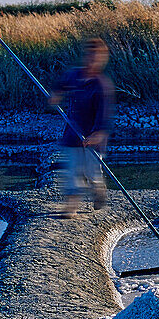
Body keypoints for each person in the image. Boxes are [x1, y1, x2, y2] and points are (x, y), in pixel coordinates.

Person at [49, 37, 115, 218]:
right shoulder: (74, 75)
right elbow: (59, 87)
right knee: (73, 171)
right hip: (73, 134)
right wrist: (56, 95)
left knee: (92, 172)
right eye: (90, 56)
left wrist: (97, 134)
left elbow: (104, 115)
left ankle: (98, 189)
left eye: (96, 57)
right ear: (86, 57)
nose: (92, 60)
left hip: (93, 138)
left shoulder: (102, 85)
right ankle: (71, 207)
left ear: (102, 60)